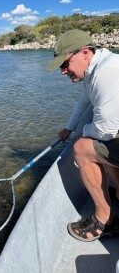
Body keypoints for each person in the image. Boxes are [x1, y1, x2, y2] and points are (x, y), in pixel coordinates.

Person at [47, 29, 119, 242]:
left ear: (85, 53)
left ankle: (105, 220)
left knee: (83, 148)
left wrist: (82, 134)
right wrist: (70, 128)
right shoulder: (96, 70)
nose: (62, 71)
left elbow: (105, 129)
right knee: (100, 144)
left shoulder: (108, 71)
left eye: (64, 64)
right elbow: (84, 102)